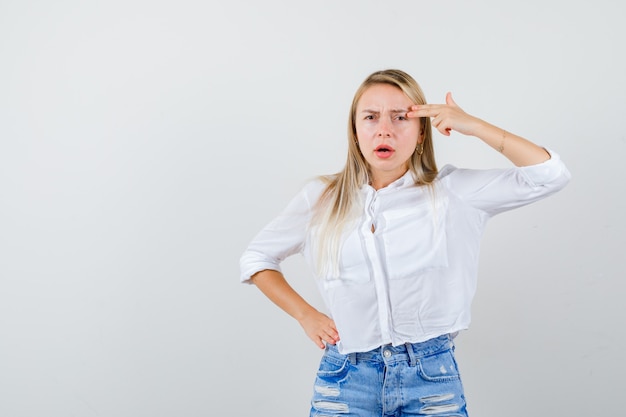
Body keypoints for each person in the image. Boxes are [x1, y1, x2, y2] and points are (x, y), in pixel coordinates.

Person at [239, 69, 570, 417]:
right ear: (355, 130)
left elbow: (550, 176)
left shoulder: (452, 193)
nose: (384, 129)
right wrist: (305, 315)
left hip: (430, 380)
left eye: (400, 118)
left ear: (421, 132)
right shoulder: (322, 198)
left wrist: (472, 125)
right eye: (370, 117)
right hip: (344, 380)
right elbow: (257, 257)